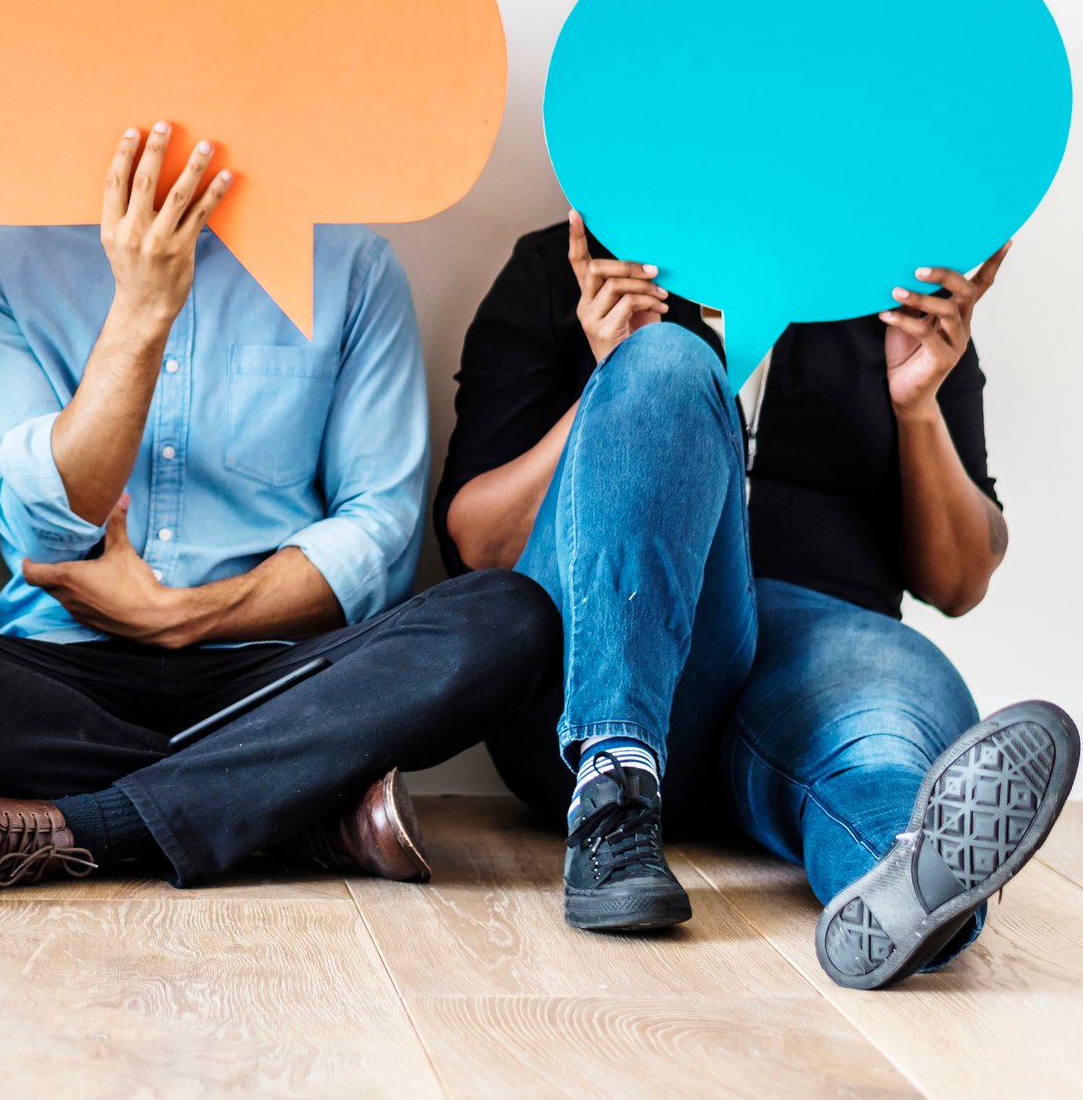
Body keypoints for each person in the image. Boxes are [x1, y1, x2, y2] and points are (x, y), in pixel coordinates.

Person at [0, 122, 563, 895]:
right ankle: (296, 808)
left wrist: (189, 615)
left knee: (509, 616)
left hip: (279, 681)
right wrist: (141, 309)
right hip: (61, 676)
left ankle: (86, 826)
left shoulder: (352, 263)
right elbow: (39, 527)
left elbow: (381, 534)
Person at [436, 210, 1076, 988]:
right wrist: (613, 386)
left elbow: (960, 580)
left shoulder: (888, 285)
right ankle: (613, 792)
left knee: (878, 749)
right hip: (608, 662)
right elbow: (479, 544)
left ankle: (906, 882)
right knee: (664, 364)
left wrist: (917, 404)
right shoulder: (569, 267)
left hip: (819, 647)